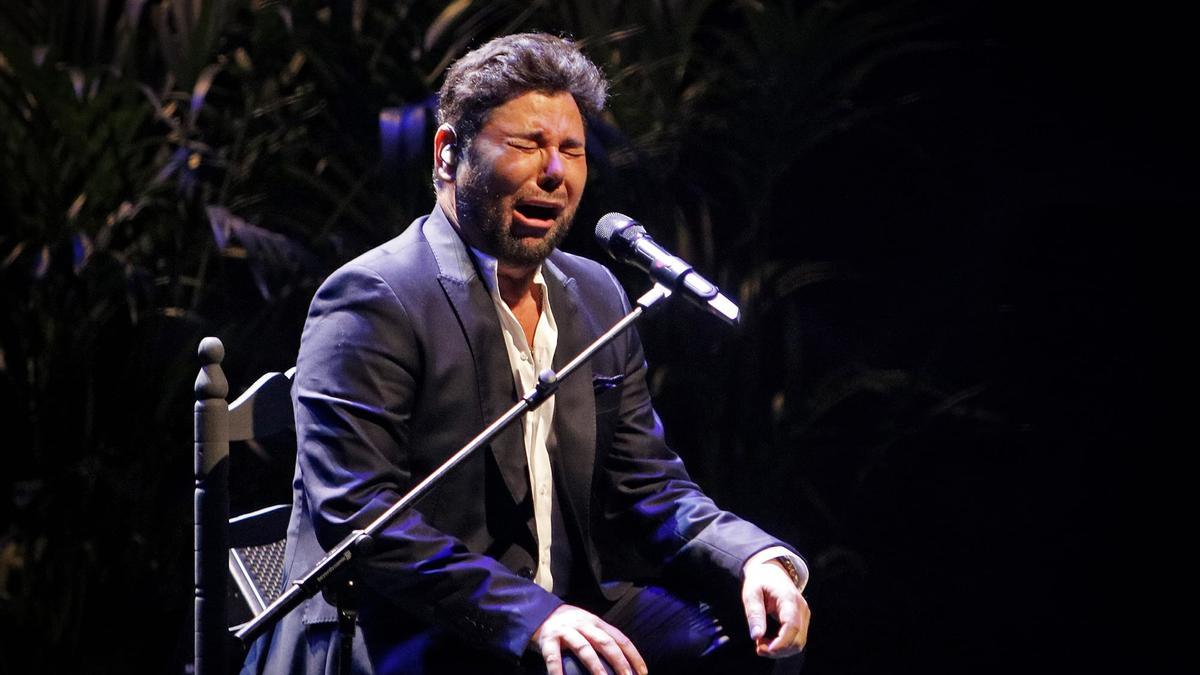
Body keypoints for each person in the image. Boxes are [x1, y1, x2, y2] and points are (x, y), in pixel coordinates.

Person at [243, 33, 809, 675]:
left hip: (564, 611)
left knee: (750, 636)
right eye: (526, 145)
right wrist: (530, 615)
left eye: (572, 149)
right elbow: (360, 514)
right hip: (404, 627)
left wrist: (753, 558)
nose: (555, 172)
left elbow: (648, 481)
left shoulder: (594, 294)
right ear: (448, 153)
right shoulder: (375, 298)